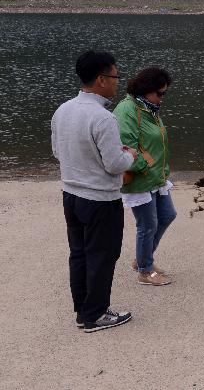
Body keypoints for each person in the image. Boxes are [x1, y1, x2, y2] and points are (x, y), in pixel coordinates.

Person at [51, 50, 136, 333]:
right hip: (100, 199)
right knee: (102, 255)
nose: (117, 83)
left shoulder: (63, 110)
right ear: (101, 79)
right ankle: (96, 315)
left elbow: (57, 151)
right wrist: (130, 156)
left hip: (71, 195)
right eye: (115, 77)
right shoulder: (102, 118)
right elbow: (114, 165)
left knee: (79, 254)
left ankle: (83, 310)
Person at [114, 67, 176, 287]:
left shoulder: (149, 108)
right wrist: (147, 166)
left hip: (156, 178)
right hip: (140, 179)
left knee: (168, 215)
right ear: (146, 89)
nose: (162, 98)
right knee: (147, 224)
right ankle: (145, 271)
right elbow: (125, 146)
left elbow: (155, 143)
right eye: (159, 93)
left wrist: (162, 168)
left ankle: (142, 259)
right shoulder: (127, 110)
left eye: (164, 94)